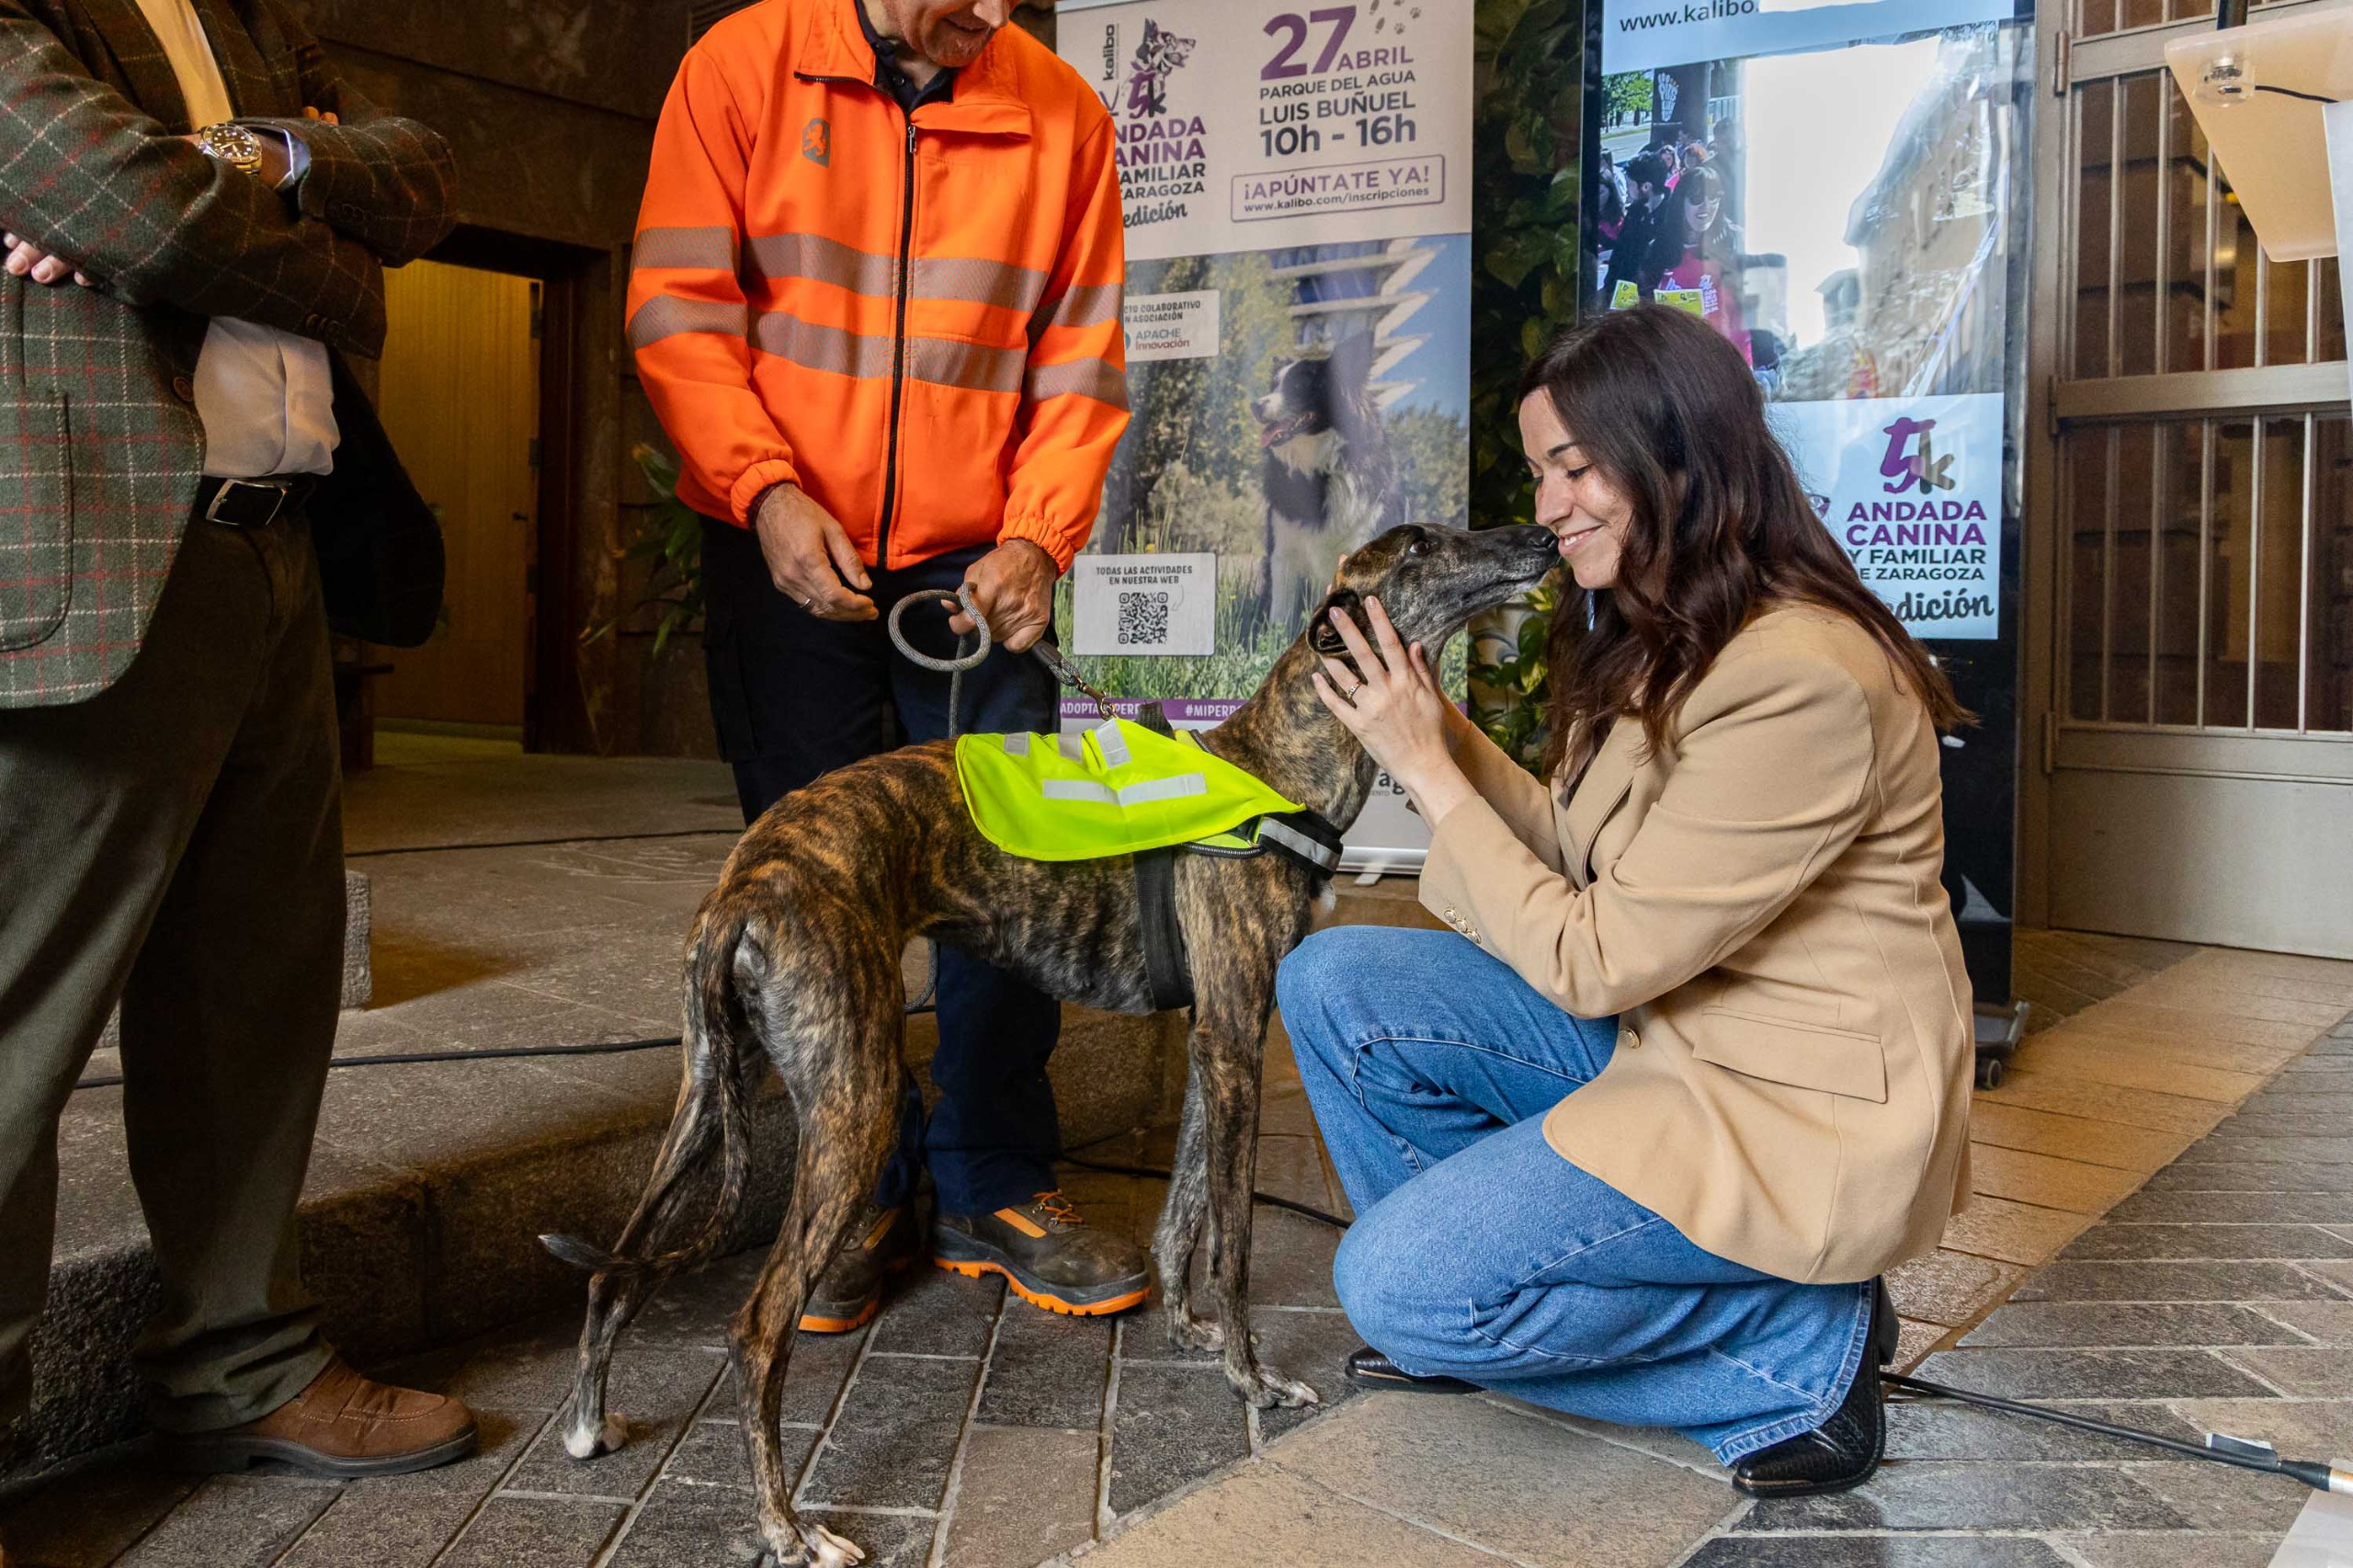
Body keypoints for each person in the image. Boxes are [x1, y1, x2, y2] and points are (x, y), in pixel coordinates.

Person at [1278, 305, 1974, 1497]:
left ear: (1677, 458)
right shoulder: (1680, 634)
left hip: (1789, 1111)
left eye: (1573, 466)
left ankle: (1794, 1350)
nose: (1547, 504)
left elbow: (1594, 955)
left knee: (1392, 1287)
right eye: (1543, 468)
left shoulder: (1800, 677)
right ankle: (1475, 1309)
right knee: (1335, 980)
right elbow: (1573, 849)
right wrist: (1423, 719)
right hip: (1676, 1042)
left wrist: (1429, 770)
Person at [0, 0, 472, 1517]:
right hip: (89, 559)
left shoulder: (255, 13)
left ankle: (243, 1362)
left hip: (273, 547)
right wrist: (330, 260)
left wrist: (250, 160)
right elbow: (119, 205)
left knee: (252, 1000)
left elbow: (419, 174)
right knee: (14, 1028)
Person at [629, 0, 1147, 1331]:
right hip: (782, 535)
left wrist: (1039, 535)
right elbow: (681, 307)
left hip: (978, 563)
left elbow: (1078, 363)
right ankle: (859, 1183)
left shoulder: (1062, 114)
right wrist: (760, 491)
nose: (987, 11)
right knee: (821, 887)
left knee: (1018, 869)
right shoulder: (743, 66)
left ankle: (994, 1177)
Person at [1649, 163, 1752, 362]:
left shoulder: (1733, 242)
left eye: (1714, 198)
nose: (1706, 207)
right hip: (1675, 362)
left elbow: (1744, 317)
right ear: (1681, 202)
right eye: (1697, 198)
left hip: (1724, 360)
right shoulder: (1659, 248)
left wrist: (1746, 365)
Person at [1600, 151, 1672, 309]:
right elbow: (1620, 253)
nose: (1627, 188)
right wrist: (1608, 290)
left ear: (1646, 187)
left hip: (1654, 303)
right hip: (1624, 298)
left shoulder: (1672, 216)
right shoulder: (1635, 211)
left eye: (1631, 183)